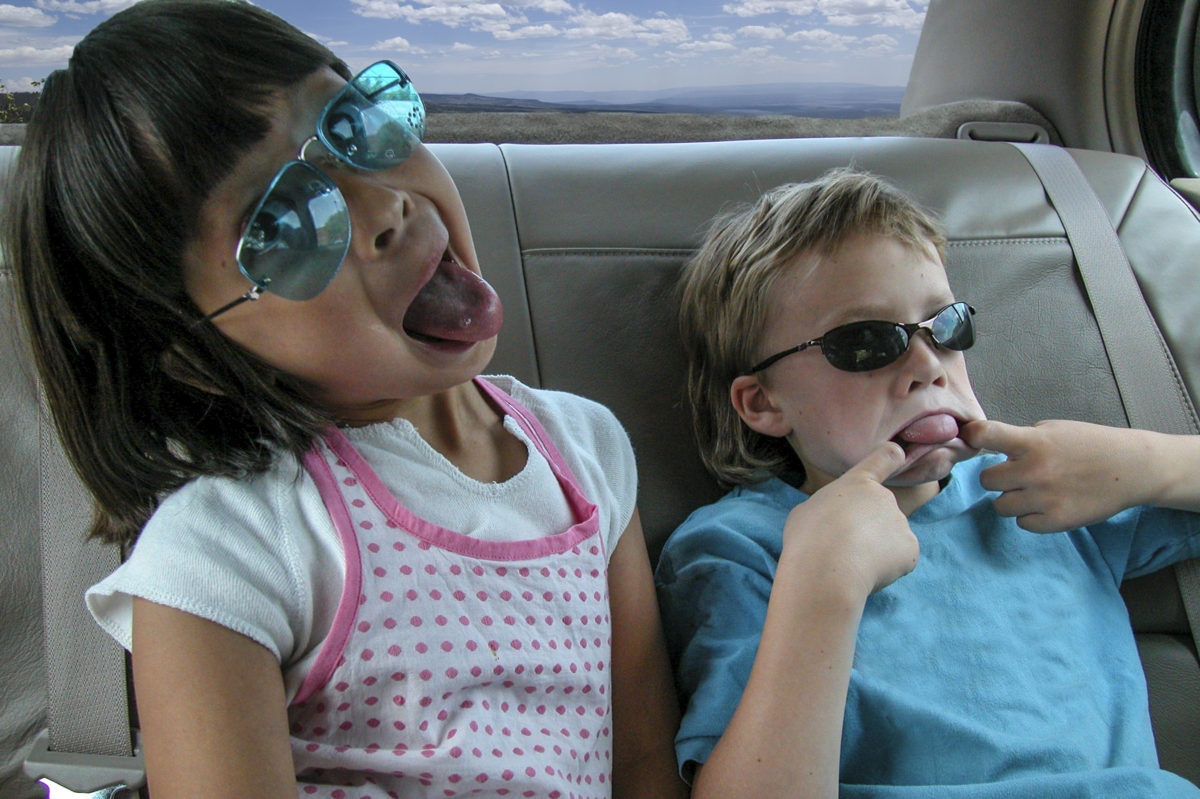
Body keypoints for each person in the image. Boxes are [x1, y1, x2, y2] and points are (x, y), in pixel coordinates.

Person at [4, 2, 686, 797]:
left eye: (356, 125)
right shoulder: (229, 551)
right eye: (283, 221)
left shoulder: (587, 449)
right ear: (193, 353)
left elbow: (643, 759)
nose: (382, 205)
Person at [655, 168, 1200, 798]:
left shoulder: (1039, 486)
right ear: (764, 403)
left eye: (947, 326)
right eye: (864, 343)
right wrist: (824, 587)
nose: (927, 365)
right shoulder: (737, 548)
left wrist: (1142, 462)